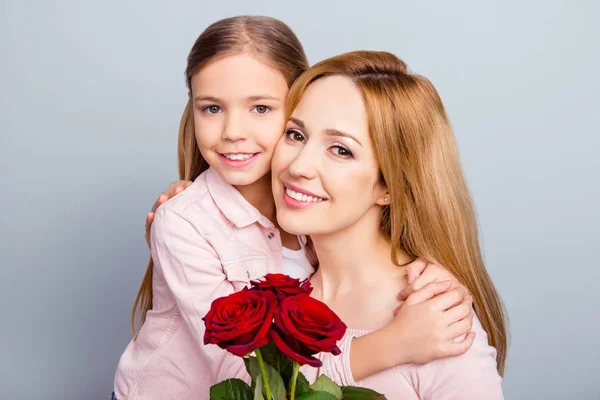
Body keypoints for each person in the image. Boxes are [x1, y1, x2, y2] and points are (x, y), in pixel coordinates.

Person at [114, 16, 474, 400]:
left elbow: (368, 258)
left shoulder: (314, 212)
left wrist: (429, 280)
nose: (233, 131)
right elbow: (250, 372)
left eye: (262, 109)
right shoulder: (183, 221)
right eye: (212, 109)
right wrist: (395, 343)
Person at [269, 50, 507, 398]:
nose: (299, 166)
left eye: (341, 150)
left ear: (389, 187)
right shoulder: (268, 278)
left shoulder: (436, 318)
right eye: (295, 135)